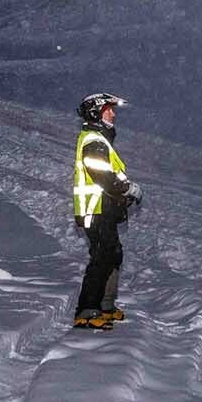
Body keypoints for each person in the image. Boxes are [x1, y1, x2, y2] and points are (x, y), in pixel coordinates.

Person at [72, 92, 141, 330]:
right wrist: (127, 188)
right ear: (96, 113)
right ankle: (87, 310)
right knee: (102, 257)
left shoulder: (100, 140)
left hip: (105, 209)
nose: (113, 114)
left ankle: (105, 306)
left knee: (112, 254)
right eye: (108, 110)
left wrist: (123, 196)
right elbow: (103, 177)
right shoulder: (94, 141)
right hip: (96, 209)